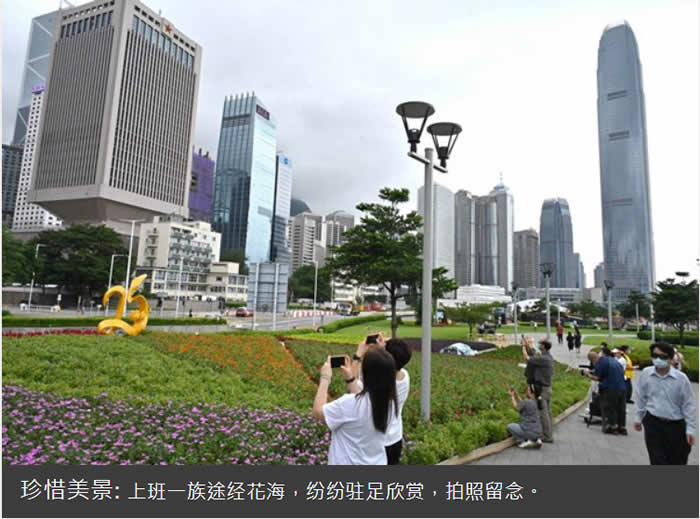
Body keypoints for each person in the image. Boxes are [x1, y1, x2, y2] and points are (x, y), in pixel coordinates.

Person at [312, 347, 398, 465]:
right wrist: (350, 379)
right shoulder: (390, 403)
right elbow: (363, 404)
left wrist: (325, 378)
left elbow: (317, 412)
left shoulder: (349, 403)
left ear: (366, 372)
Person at [346, 336, 411, 464]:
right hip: (394, 440)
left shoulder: (374, 386)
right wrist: (382, 349)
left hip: (374, 443)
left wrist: (358, 354)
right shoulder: (404, 376)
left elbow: (351, 383)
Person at [634, 342, 697, 465]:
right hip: (653, 423)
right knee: (657, 460)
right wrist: (638, 418)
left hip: (676, 426)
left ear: (671, 359)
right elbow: (641, 396)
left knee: (677, 461)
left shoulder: (681, 379)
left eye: (663, 357)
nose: (658, 359)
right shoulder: (646, 374)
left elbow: (689, 404)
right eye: (655, 356)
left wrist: (690, 429)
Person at [584, 346, 626, 435]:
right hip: (622, 387)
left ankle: (612, 427)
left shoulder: (600, 362)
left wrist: (587, 374)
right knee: (621, 408)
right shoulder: (612, 360)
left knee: (610, 408)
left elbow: (596, 377)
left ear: (592, 360)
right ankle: (622, 427)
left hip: (610, 388)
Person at [524, 339, 554, 442]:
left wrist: (523, 347)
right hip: (546, 388)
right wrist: (528, 346)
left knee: (543, 413)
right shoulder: (547, 357)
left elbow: (528, 358)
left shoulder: (544, 358)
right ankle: (549, 433)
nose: (538, 345)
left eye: (540, 344)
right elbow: (534, 355)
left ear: (544, 346)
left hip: (542, 389)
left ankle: (547, 437)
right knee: (547, 412)